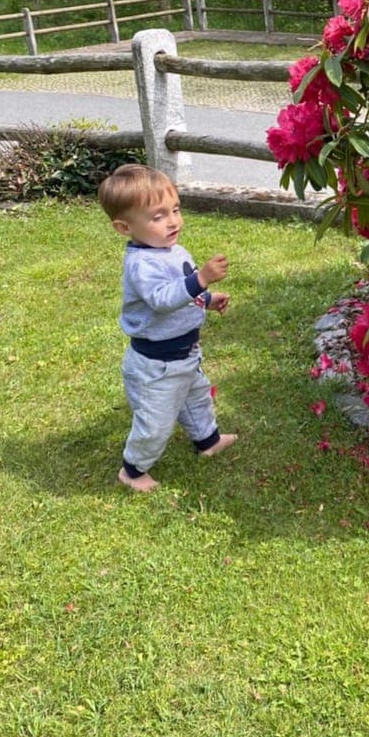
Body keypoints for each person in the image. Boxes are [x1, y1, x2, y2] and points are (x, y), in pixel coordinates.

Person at [97, 164, 238, 492]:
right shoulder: (141, 264)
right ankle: (132, 471)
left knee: (197, 398)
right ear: (124, 227)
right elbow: (162, 298)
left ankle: (208, 440)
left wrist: (207, 297)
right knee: (155, 422)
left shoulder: (170, 250)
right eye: (158, 216)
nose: (173, 220)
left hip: (184, 353)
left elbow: (182, 292)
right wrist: (201, 279)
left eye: (174, 210)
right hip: (155, 365)